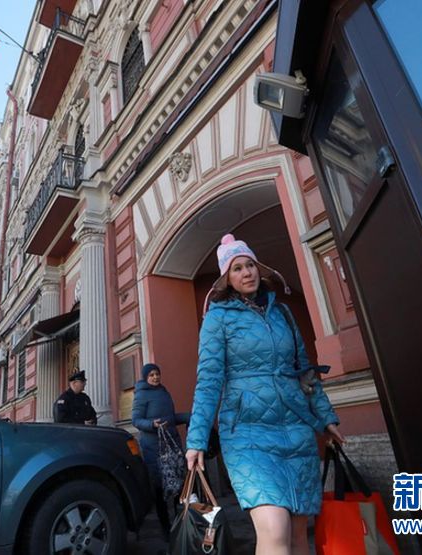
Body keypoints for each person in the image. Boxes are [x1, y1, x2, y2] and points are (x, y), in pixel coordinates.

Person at [185, 233, 346, 555]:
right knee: (274, 528)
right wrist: (197, 438)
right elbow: (209, 380)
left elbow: (305, 371)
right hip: (247, 433)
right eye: (237, 268)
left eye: (250, 265)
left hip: (296, 429)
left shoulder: (282, 313)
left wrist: (326, 418)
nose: (247, 273)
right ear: (227, 279)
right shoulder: (217, 318)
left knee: (298, 534)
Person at [131, 363, 189, 534]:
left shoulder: (163, 391)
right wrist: (152, 424)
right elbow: (136, 420)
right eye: (151, 375)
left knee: (177, 483)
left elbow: (169, 418)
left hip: (171, 445)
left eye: (157, 374)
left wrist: (188, 416)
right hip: (154, 448)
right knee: (160, 487)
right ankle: (165, 527)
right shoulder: (141, 394)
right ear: (145, 377)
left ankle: (180, 523)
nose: (155, 377)